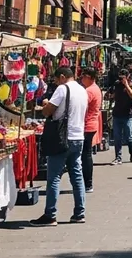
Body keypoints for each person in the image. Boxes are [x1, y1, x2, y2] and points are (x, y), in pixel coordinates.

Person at [32, 66, 88, 227]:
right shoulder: (82, 90)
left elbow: (48, 111)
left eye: (57, 80)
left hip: (62, 138)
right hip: (78, 137)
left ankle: (50, 214)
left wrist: (45, 104)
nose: (56, 83)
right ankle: (79, 213)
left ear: (62, 77)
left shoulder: (63, 89)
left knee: (54, 177)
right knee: (77, 176)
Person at [80, 69, 102, 194]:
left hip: (87, 125)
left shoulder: (89, 91)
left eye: (83, 76)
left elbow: (81, 106)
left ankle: (87, 183)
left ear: (88, 77)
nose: (81, 79)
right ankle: (87, 183)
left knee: (85, 155)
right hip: (91, 124)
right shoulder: (95, 88)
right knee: (86, 154)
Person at [110, 69, 132, 165]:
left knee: (128, 136)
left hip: (128, 115)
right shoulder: (117, 84)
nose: (121, 79)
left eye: (123, 77)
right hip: (117, 114)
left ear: (128, 76)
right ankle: (118, 157)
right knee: (117, 137)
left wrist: (126, 85)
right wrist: (111, 95)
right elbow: (112, 95)